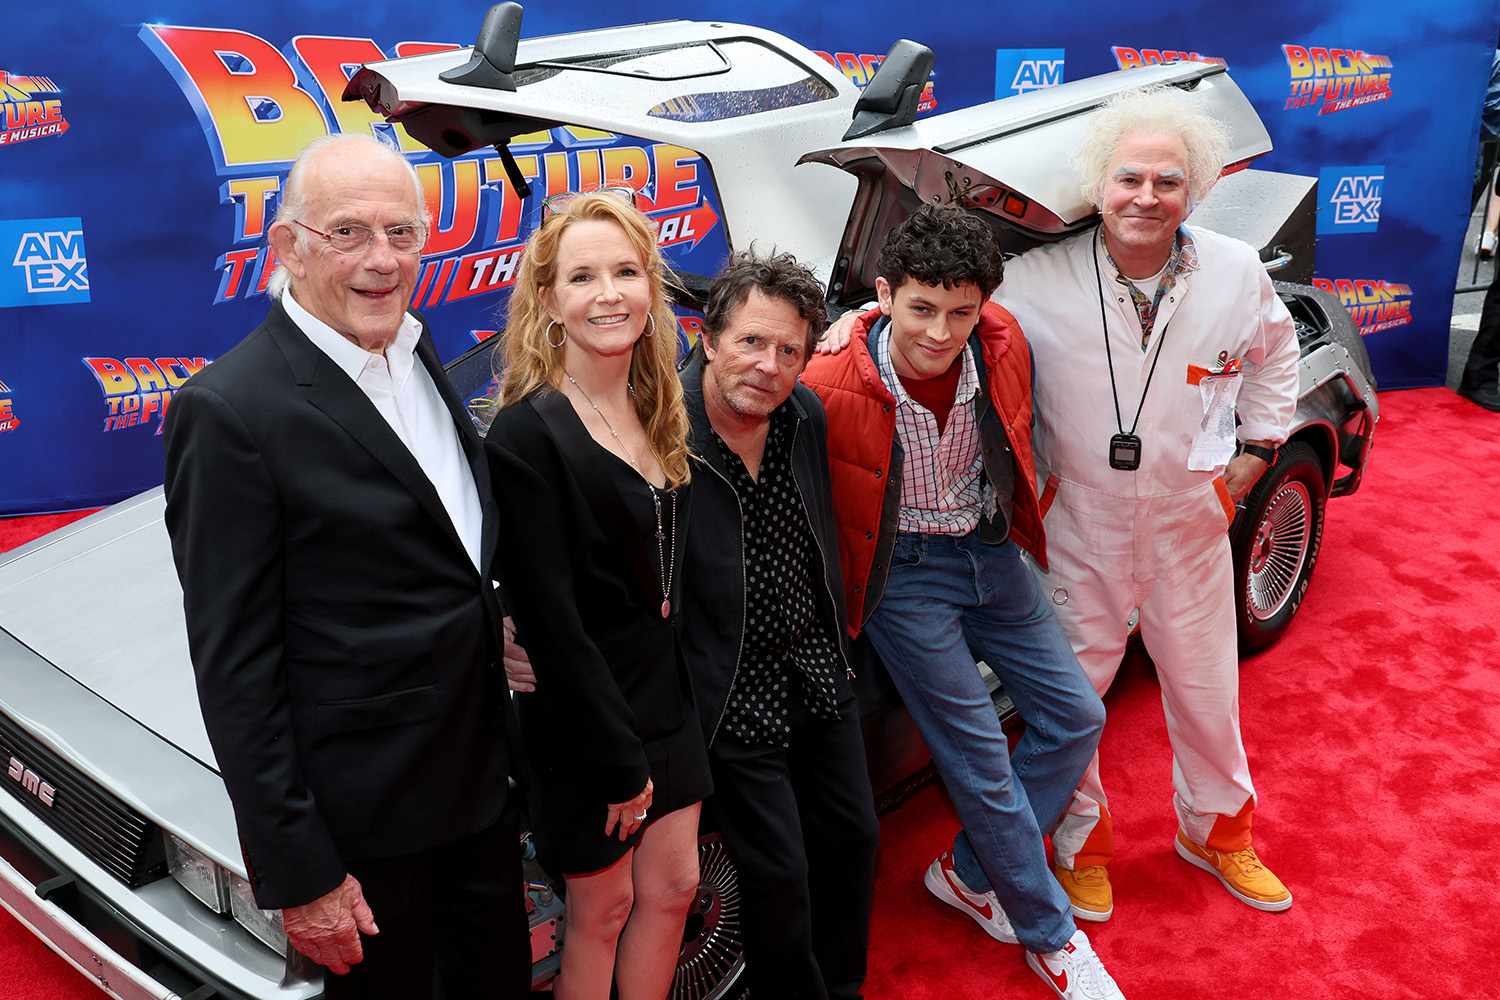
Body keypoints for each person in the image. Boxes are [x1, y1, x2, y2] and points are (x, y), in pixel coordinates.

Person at [162, 133, 529, 998]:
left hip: (479, 797)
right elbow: (235, 669)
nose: (382, 259)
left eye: (402, 233)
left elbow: (439, 551)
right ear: (287, 246)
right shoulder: (228, 412)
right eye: (349, 233)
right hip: (362, 842)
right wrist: (300, 874)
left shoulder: (413, 346)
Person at [991, 86, 1300, 922]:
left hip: (1189, 518)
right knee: (1073, 705)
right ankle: (1080, 844)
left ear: (1193, 190)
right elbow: (938, 324)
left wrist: (1260, 448)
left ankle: (1219, 834)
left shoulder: (1235, 269)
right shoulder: (1028, 278)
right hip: (1076, 523)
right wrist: (862, 320)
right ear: (1099, 186)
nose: (1147, 197)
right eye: (1130, 179)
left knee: (1206, 692)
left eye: (1168, 181)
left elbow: (1277, 354)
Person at [802, 205, 1120, 1000]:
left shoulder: (1003, 339)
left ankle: (970, 874)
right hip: (902, 577)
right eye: (919, 309)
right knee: (978, 759)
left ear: (982, 307)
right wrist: (846, 325)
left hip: (989, 551)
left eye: (959, 312)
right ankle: (1053, 937)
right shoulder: (828, 380)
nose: (941, 332)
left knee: (1078, 716)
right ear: (882, 295)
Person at [484, 189, 711, 1000]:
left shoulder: (656, 400)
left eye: (624, 271)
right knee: (604, 906)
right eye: (583, 277)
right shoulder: (526, 432)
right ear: (548, 301)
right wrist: (619, 763)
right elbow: (548, 615)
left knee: (675, 887)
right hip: (585, 709)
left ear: (651, 288)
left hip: (664, 689)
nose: (607, 293)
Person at [678, 251, 880, 1000]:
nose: (767, 366)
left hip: (816, 669)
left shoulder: (804, 416)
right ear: (708, 338)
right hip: (731, 690)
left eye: (788, 350)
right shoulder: (667, 442)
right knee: (779, 879)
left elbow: (820, 534)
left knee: (855, 841)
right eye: (751, 343)